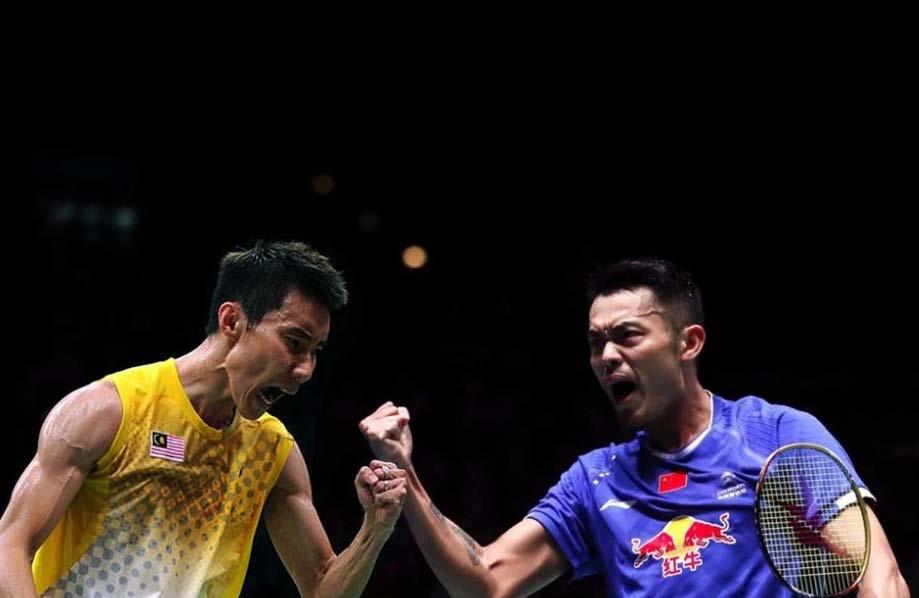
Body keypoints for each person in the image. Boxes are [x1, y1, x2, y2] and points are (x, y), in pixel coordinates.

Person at [359, 257, 908, 597]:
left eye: (627, 336)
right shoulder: (595, 481)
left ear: (689, 343)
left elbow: (879, 576)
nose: (606, 357)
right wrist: (406, 475)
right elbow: (487, 581)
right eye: (596, 343)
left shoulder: (777, 434)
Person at [0, 240, 407, 597]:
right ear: (232, 321)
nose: (305, 370)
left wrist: (375, 530)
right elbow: (11, 543)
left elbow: (320, 588)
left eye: (315, 351)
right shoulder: (109, 411)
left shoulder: (272, 451)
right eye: (294, 341)